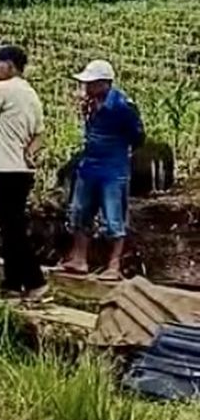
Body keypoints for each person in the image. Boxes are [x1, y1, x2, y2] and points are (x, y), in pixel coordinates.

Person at [60, 60, 144, 281]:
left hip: (113, 168)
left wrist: (119, 151)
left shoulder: (122, 106)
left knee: (113, 218)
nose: (86, 87)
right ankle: (79, 259)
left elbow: (137, 136)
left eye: (91, 83)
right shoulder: (90, 104)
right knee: (80, 212)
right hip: (90, 165)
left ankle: (114, 265)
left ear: (104, 83)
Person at [0, 45, 48, 301]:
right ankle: (11, 283)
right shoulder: (31, 94)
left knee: (13, 229)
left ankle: (36, 282)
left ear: (8, 65)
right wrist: (28, 153)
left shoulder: (2, 88)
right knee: (11, 227)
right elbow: (39, 135)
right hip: (20, 170)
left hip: (5, 170)